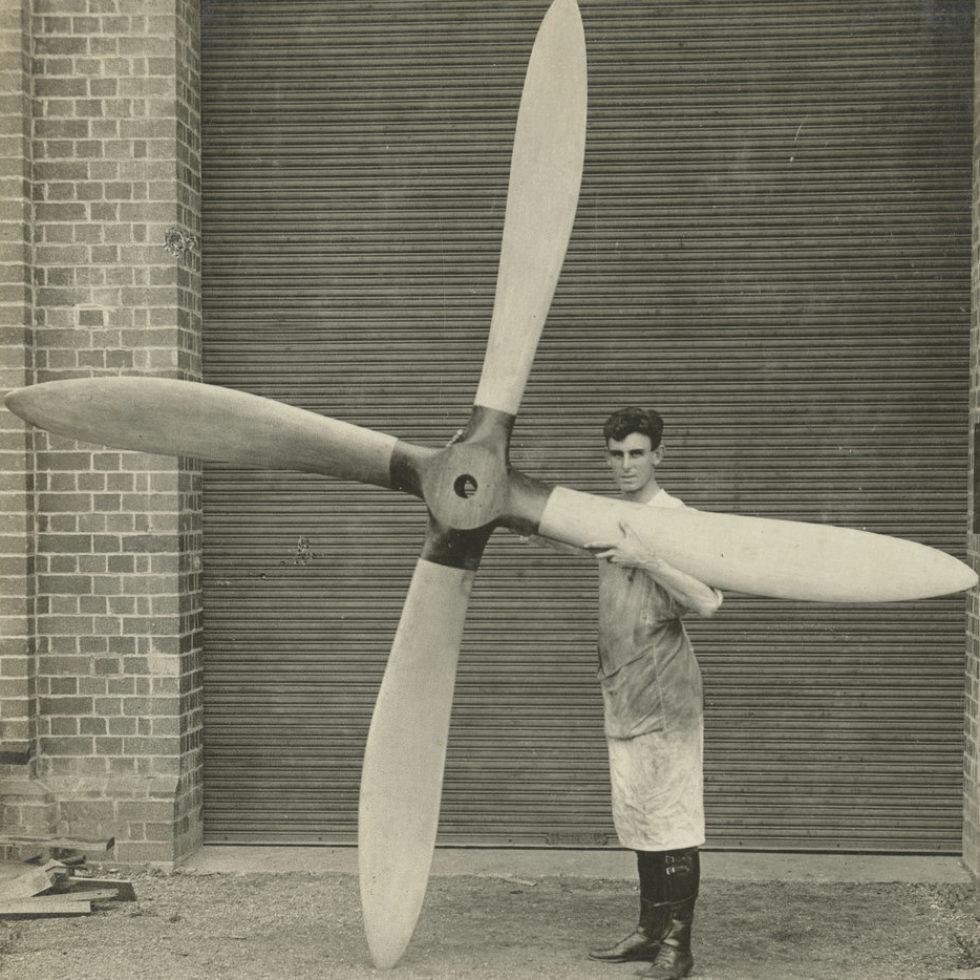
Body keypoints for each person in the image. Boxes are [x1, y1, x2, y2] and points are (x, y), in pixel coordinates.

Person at [583, 406, 722, 980]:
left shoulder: (676, 517)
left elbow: (709, 599)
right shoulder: (608, 514)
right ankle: (648, 932)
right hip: (624, 689)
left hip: (666, 695)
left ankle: (678, 950)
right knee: (640, 816)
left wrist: (648, 558)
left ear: (658, 456)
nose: (625, 465)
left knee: (673, 823)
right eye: (616, 455)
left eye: (636, 453)